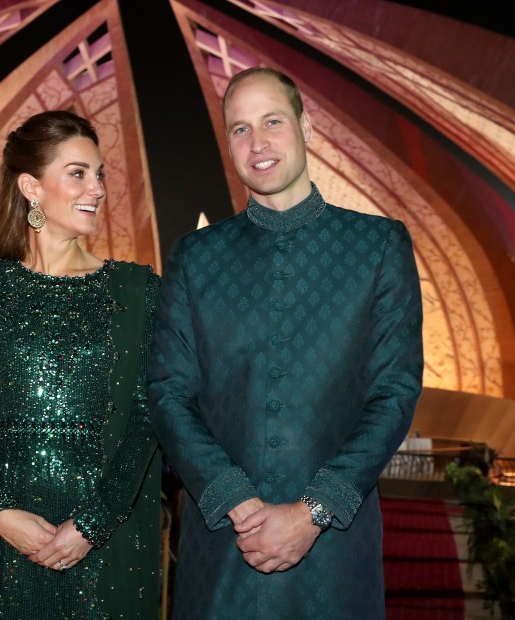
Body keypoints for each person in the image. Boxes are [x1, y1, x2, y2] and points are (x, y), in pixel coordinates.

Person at [146, 67, 424, 619]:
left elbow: (394, 393)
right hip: (223, 543)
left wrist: (312, 511)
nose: (258, 143)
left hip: (334, 550)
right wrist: (238, 503)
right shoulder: (194, 258)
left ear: (306, 126)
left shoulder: (378, 246)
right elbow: (167, 392)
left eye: (272, 121)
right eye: (240, 129)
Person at [0, 109, 161, 619]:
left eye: (100, 174)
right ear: (31, 186)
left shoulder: (135, 290)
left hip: (102, 535)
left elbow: (148, 413)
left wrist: (94, 522)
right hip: (7, 533)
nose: (98, 189)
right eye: (78, 173)